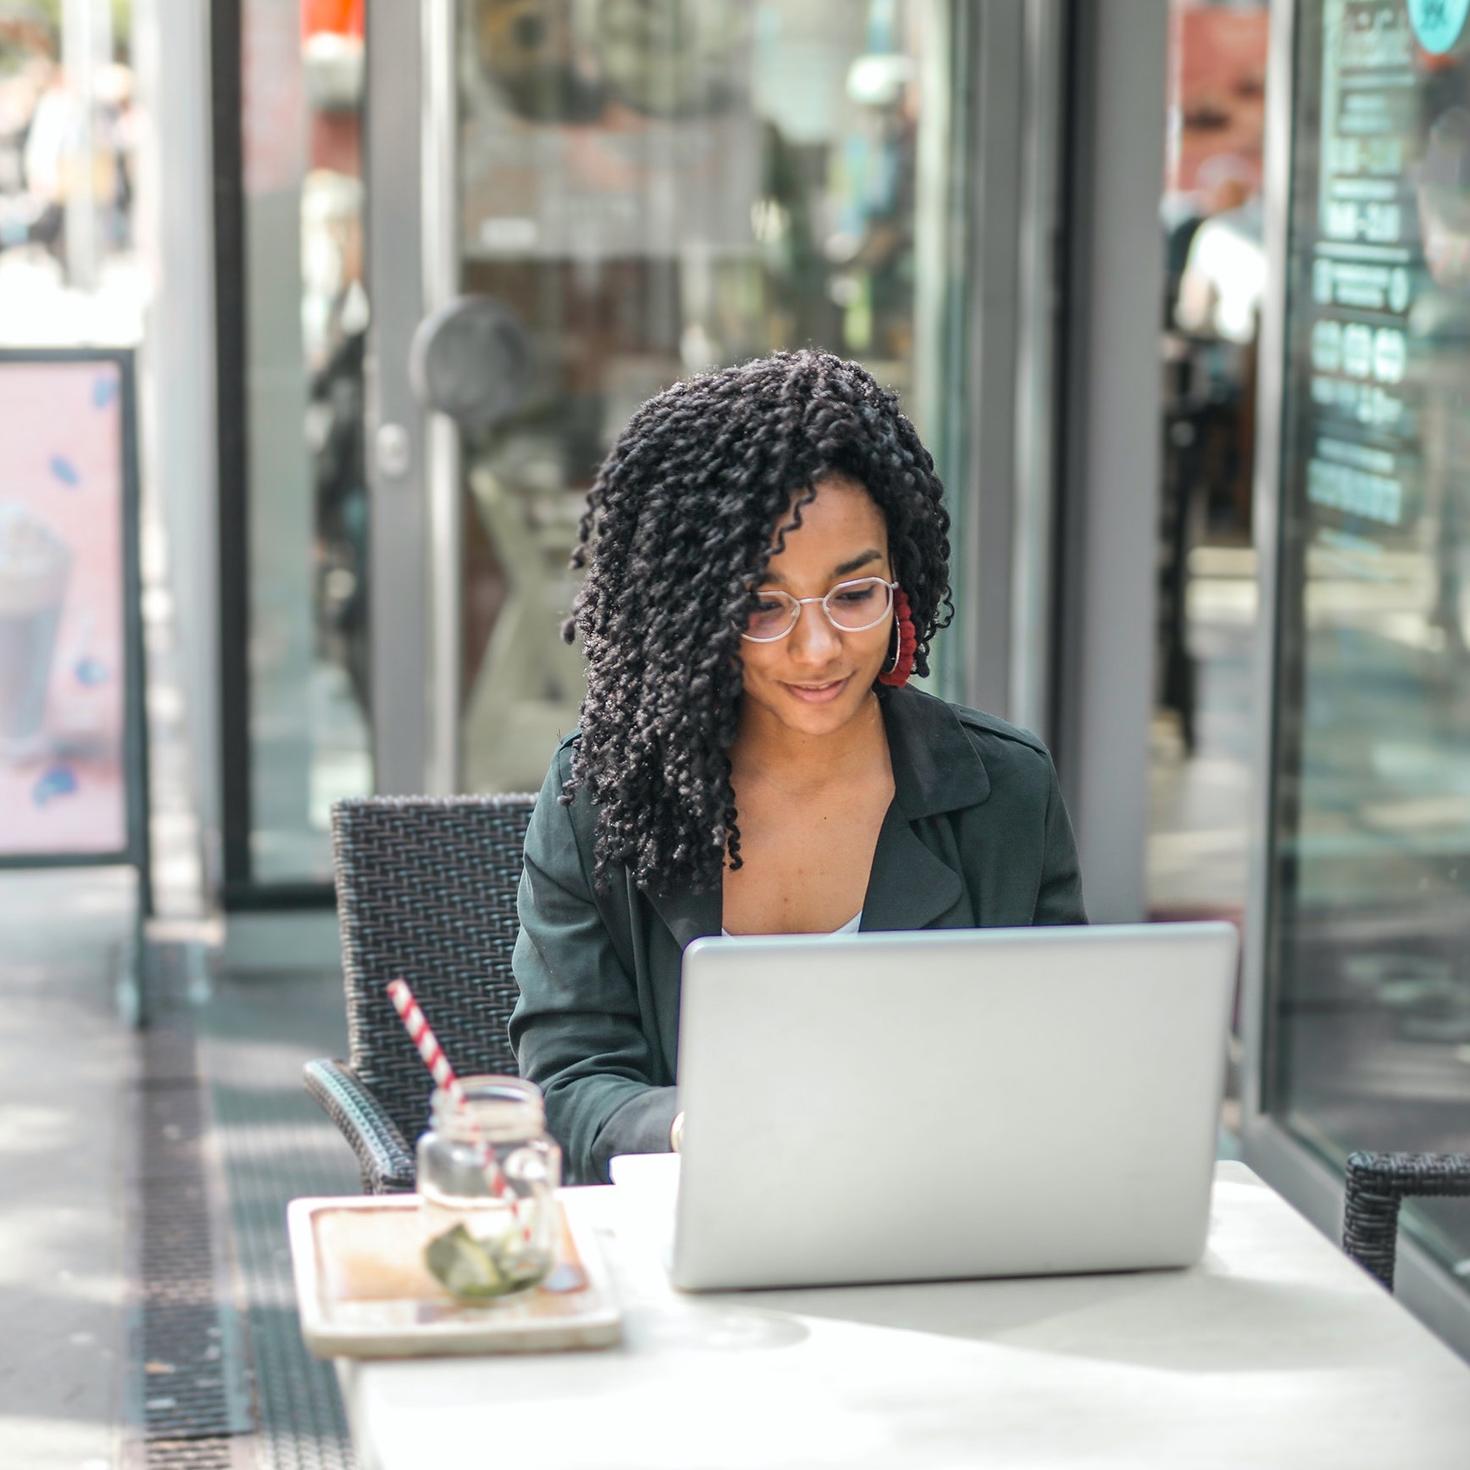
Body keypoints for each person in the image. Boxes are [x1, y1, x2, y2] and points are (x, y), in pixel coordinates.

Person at [510, 350, 1087, 1183]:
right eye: (762, 606)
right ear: (694, 613)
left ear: (904, 584)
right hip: (693, 1246)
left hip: (946, 1231)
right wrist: (687, 1127)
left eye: (855, 596)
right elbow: (567, 1085)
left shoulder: (1005, 793)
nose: (817, 650)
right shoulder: (601, 798)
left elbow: (1061, 1071)